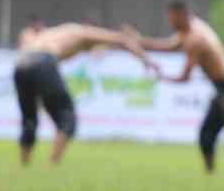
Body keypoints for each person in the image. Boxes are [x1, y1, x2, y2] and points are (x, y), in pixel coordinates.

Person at [130, 0, 224, 179]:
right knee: (206, 134)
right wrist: (139, 41)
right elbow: (167, 46)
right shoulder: (191, 29)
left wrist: (161, 77)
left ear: (181, 15)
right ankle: (210, 177)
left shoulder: (195, 39)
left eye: (171, 18)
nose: (170, 22)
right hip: (222, 90)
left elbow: (185, 77)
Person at [12, 21, 156, 165]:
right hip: (44, 61)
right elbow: (121, 40)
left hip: (20, 63)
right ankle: (52, 165)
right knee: (67, 118)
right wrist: (147, 60)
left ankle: (25, 165)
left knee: (29, 118)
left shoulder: (56, 32)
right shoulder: (82, 32)